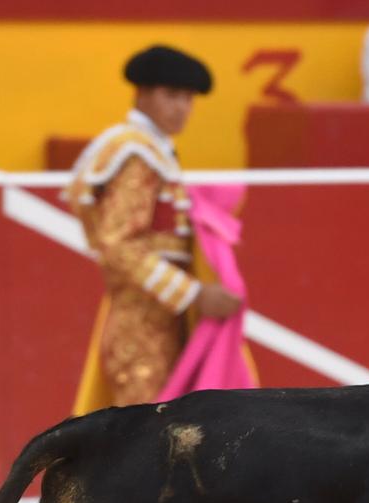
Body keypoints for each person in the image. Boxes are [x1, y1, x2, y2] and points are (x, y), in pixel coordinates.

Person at [64, 44, 242, 413]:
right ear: (142, 94)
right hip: (142, 324)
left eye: (188, 99)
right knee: (146, 427)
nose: (182, 108)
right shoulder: (138, 154)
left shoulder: (153, 151)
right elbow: (117, 244)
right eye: (171, 95)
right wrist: (192, 294)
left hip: (158, 317)